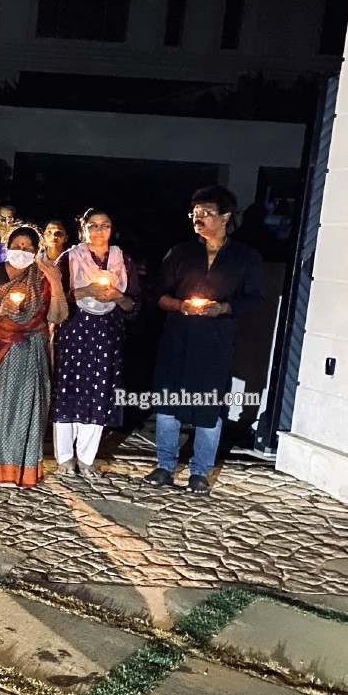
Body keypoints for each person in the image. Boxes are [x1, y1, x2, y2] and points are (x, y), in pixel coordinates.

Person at [143, 186, 264, 494]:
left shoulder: (245, 257)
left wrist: (224, 307)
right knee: (168, 403)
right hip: (177, 340)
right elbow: (158, 295)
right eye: (194, 213)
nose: (198, 218)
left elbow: (254, 299)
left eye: (206, 213)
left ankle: (199, 472)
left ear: (225, 216)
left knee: (209, 406)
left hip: (216, 342)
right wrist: (179, 305)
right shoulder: (180, 253)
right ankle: (163, 467)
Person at [0, 226, 68, 486]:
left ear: (36, 251)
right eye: (16, 246)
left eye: (27, 248)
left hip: (30, 354)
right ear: (7, 247)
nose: (21, 251)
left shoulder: (44, 277)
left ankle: (18, 469)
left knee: (24, 411)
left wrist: (55, 280)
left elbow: (57, 317)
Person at [51, 209, 139, 476]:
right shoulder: (70, 258)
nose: (99, 231)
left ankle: (87, 457)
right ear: (83, 229)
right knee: (68, 390)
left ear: (112, 229)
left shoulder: (122, 259)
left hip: (106, 334)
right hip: (74, 330)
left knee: (98, 391)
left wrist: (115, 295)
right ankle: (65, 457)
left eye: (105, 225)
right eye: (93, 226)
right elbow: (53, 297)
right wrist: (85, 291)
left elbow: (133, 303)